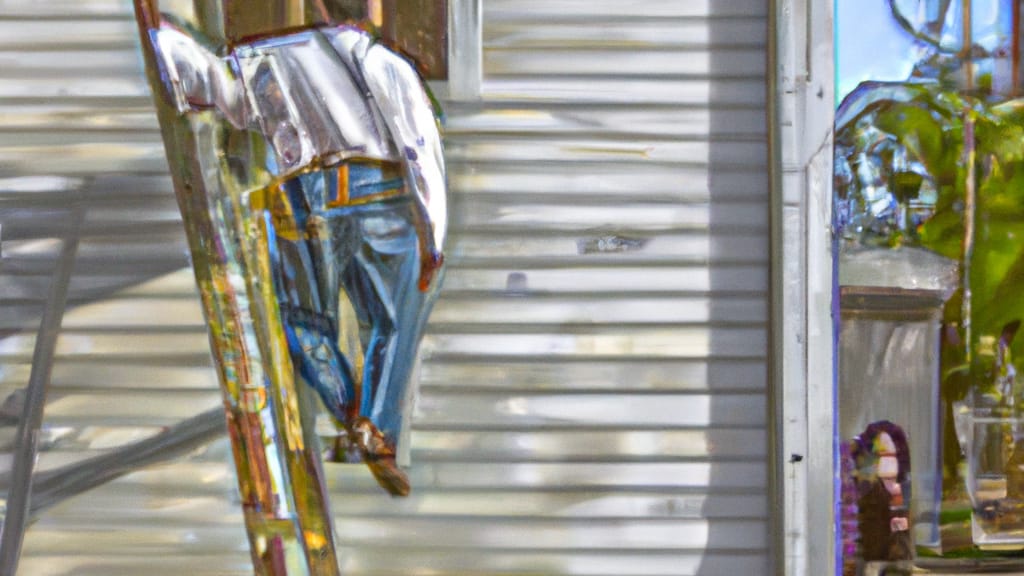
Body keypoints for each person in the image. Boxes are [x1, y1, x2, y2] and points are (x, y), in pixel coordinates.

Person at [136, 0, 446, 497]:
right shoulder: (387, 64)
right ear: (371, 12)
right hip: (379, 193)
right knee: (394, 318)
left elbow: (220, 90)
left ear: (320, 7)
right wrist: (434, 234)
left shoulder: (273, 57)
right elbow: (418, 147)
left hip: (304, 198)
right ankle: (375, 426)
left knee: (305, 322)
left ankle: (349, 411)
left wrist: (161, 41)